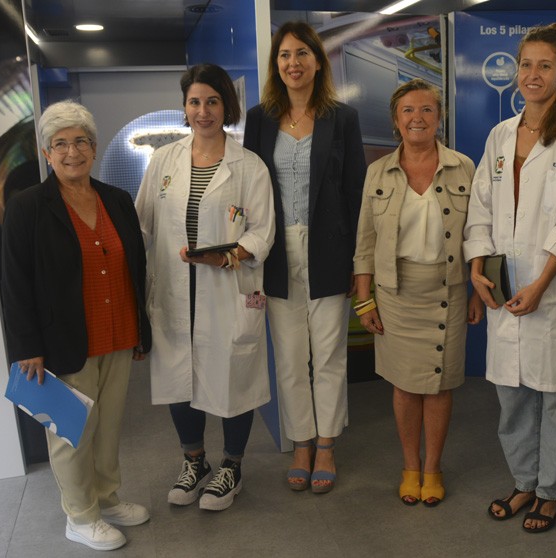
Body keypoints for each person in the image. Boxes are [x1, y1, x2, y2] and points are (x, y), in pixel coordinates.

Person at [464, 23, 556, 534]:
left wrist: (542, 283)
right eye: (526, 64)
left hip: (555, 287)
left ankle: (550, 492)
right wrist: (477, 268)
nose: (533, 74)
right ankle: (524, 481)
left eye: (545, 66)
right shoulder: (501, 134)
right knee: (513, 399)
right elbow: (480, 206)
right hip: (504, 288)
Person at [2, 100, 152, 551]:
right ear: (47, 153)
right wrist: (27, 344)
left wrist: (141, 331)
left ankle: (106, 498)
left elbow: (135, 268)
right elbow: (15, 280)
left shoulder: (117, 199)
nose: (72, 152)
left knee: (108, 428)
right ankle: (80, 516)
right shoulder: (28, 206)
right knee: (72, 432)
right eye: (61, 144)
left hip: (118, 331)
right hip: (63, 340)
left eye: (81, 141)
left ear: (94, 146)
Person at [136, 64, 276, 512]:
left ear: (226, 107)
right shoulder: (164, 161)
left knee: (232, 379)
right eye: (195, 102)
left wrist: (229, 255)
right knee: (181, 379)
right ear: (185, 107)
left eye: (212, 101)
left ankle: (232, 467)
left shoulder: (248, 165)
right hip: (176, 293)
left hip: (225, 290)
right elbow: (142, 225)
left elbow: (263, 231)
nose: (203, 111)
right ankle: (193, 462)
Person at [243, 21, 366, 494]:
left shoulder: (343, 118)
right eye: (284, 55)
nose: (292, 63)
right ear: (276, 66)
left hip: (329, 251)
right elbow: (249, 193)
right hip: (275, 252)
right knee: (291, 358)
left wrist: (359, 264)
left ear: (318, 60)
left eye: (301, 54)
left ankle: (328, 445)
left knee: (330, 354)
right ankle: (301, 444)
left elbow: (355, 193)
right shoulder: (259, 119)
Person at [353, 78, 482, 507]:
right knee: (406, 387)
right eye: (408, 111)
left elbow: (482, 236)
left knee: (440, 386)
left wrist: (479, 290)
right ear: (395, 120)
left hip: (449, 289)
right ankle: (410, 466)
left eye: (427, 110)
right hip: (396, 293)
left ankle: (433, 469)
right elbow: (365, 242)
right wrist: (364, 298)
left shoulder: (464, 166)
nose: (417, 118)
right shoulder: (378, 172)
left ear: (439, 117)